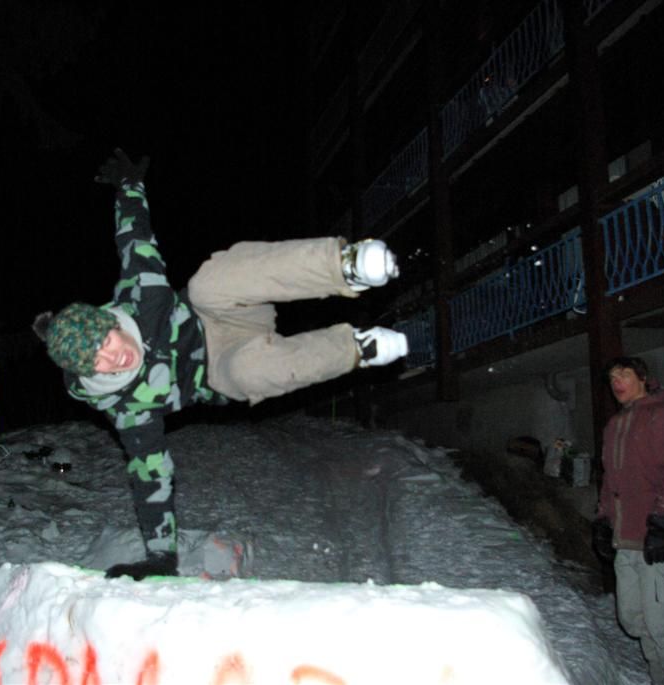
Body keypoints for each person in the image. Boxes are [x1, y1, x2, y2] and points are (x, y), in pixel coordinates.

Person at [32, 149, 408, 580]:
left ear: (110, 322)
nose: (114, 356)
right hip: (228, 365)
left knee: (207, 282)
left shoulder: (142, 296)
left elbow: (134, 238)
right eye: (99, 363)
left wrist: (128, 185)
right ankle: (357, 348)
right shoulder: (127, 408)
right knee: (243, 376)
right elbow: (150, 477)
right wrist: (160, 558)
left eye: (107, 341)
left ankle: (344, 267)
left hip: (227, 312)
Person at [592, 356, 664, 685]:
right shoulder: (615, 425)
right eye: (612, 377)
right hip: (626, 540)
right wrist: (602, 521)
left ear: (643, 378)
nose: (617, 382)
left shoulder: (662, 415)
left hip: (659, 541)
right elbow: (611, 481)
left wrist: (662, 522)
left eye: (624, 374)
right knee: (635, 621)